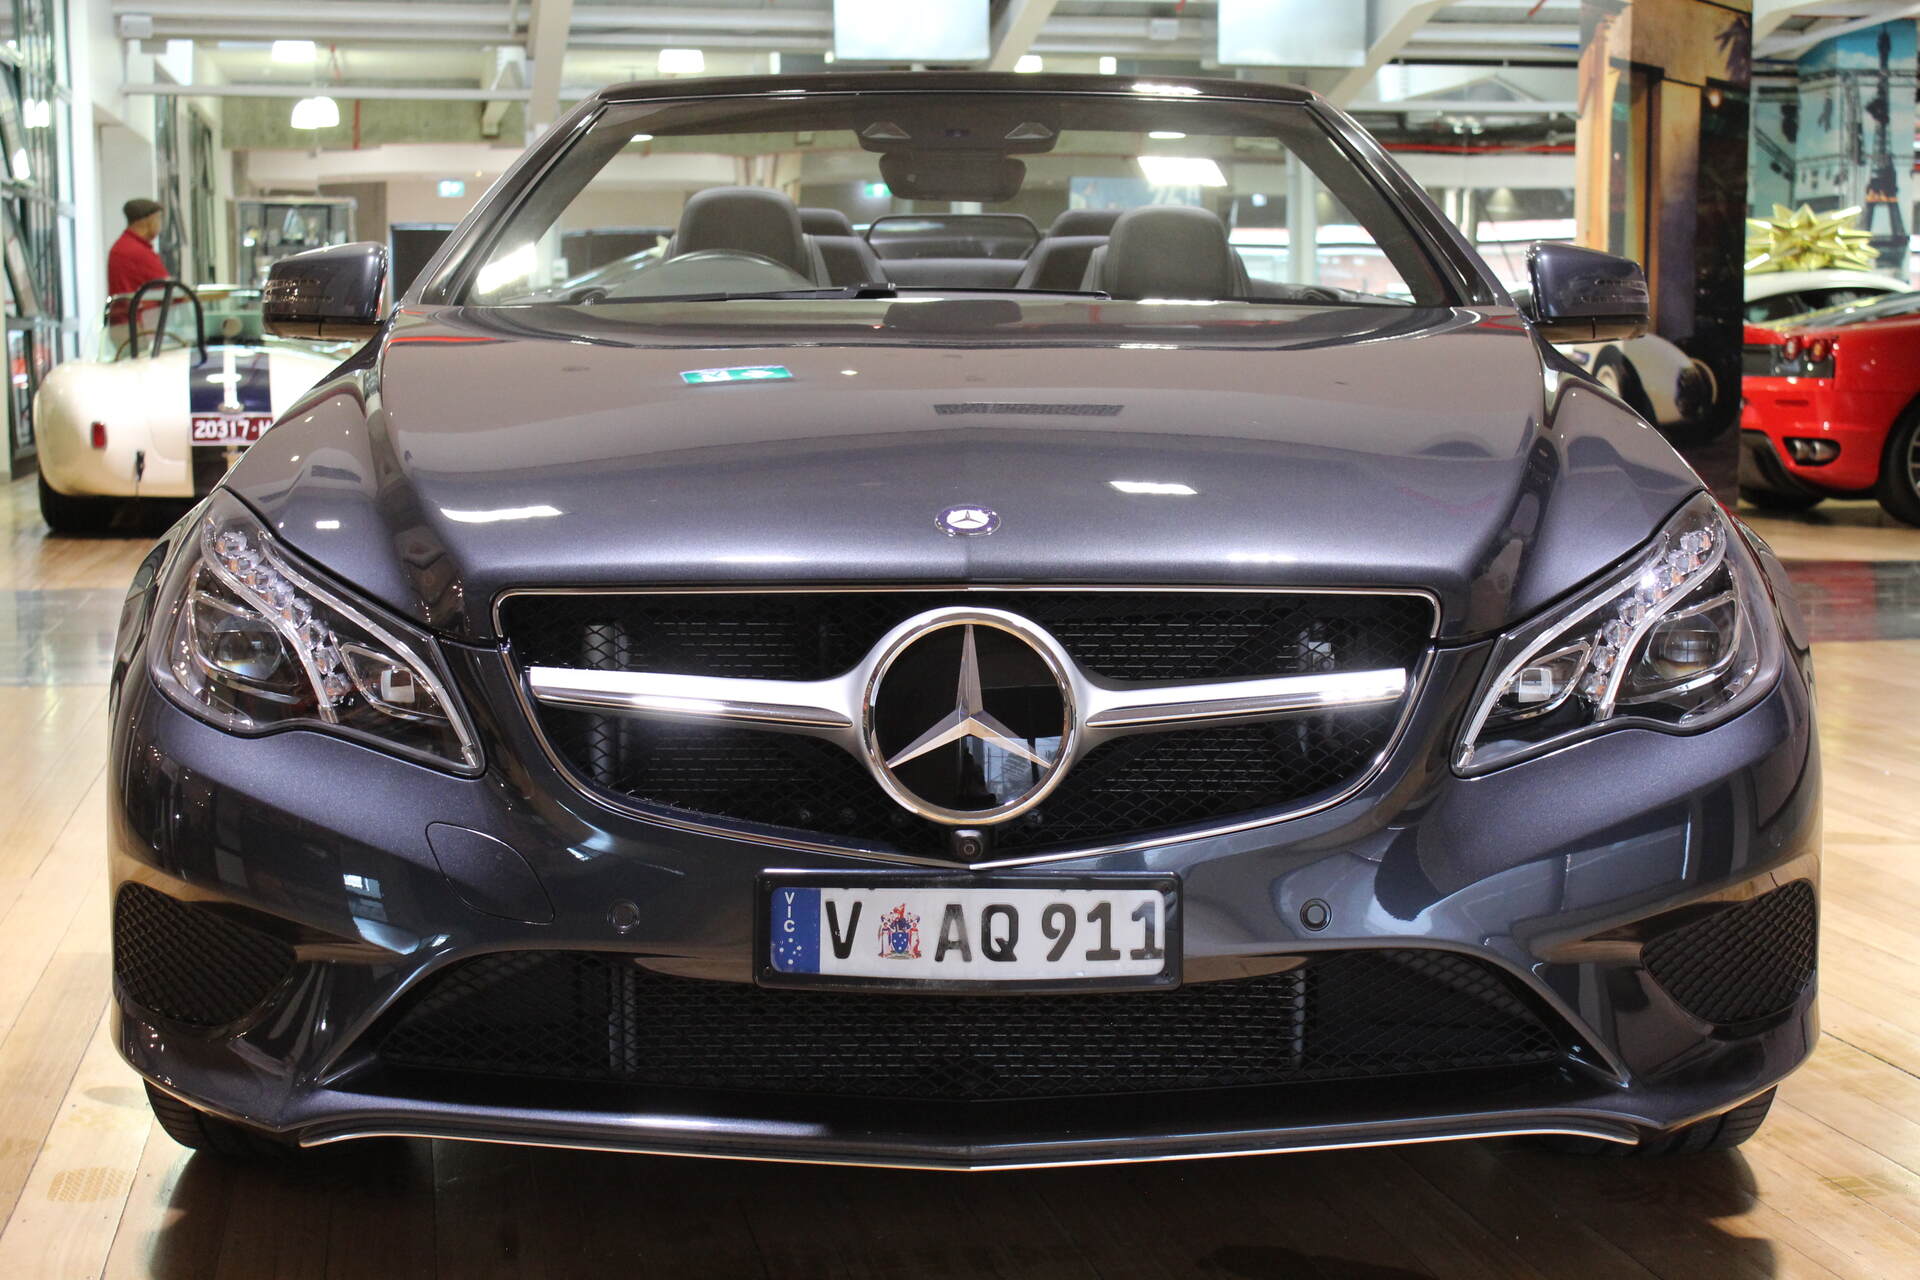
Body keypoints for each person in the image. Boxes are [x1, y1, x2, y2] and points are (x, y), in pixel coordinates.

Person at [108, 198, 169, 297]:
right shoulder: (138, 252)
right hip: (142, 307)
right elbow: (168, 290)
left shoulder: (122, 245)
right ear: (149, 221)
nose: (160, 224)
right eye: (159, 218)